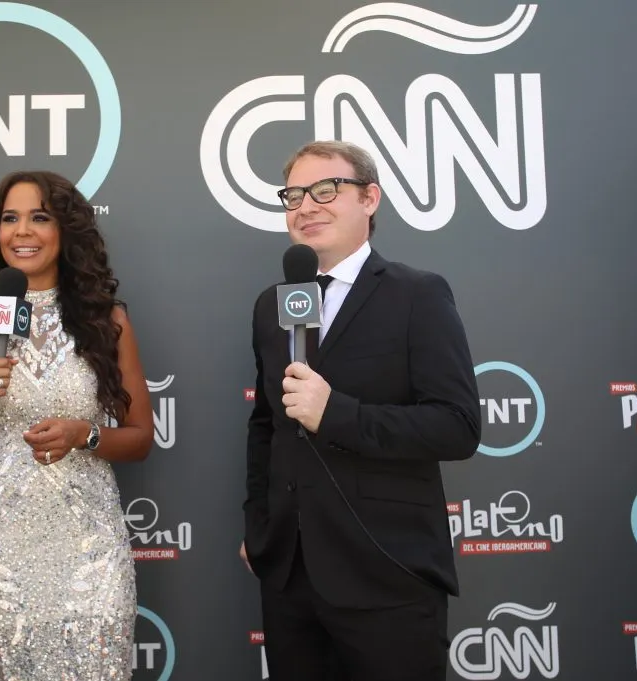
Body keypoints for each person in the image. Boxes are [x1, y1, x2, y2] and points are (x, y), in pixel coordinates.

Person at [240, 140, 482, 681]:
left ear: (369, 199)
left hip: (387, 572)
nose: (306, 206)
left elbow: (458, 426)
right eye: (294, 195)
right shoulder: (271, 305)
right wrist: (260, 524)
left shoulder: (418, 294)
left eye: (326, 190)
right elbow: (266, 426)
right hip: (291, 577)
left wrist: (336, 414)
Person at [0, 170, 154, 680]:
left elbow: (141, 438)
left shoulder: (107, 321)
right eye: (10, 218)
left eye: (39, 217)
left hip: (90, 550)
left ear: (65, 231)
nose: (22, 231)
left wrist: (85, 435)